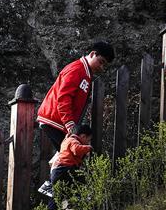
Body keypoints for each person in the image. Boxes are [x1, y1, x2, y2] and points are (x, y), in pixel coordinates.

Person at [36, 40, 113, 195]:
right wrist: (71, 125)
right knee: (71, 157)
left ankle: (59, 193)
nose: (101, 67)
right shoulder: (76, 69)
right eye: (101, 62)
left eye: (105, 65)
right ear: (92, 54)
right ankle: (54, 188)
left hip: (59, 122)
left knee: (67, 159)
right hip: (55, 121)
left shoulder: (85, 73)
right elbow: (63, 98)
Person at [46, 124, 93, 210]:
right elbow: (76, 150)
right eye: (88, 140)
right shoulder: (73, 141)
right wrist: (88, 148)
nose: (88, 142)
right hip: (64, 169)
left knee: (56, 195)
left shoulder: (66, 140)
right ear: (83, 136)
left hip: (57, 171)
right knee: (81, 181)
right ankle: (78, 203)